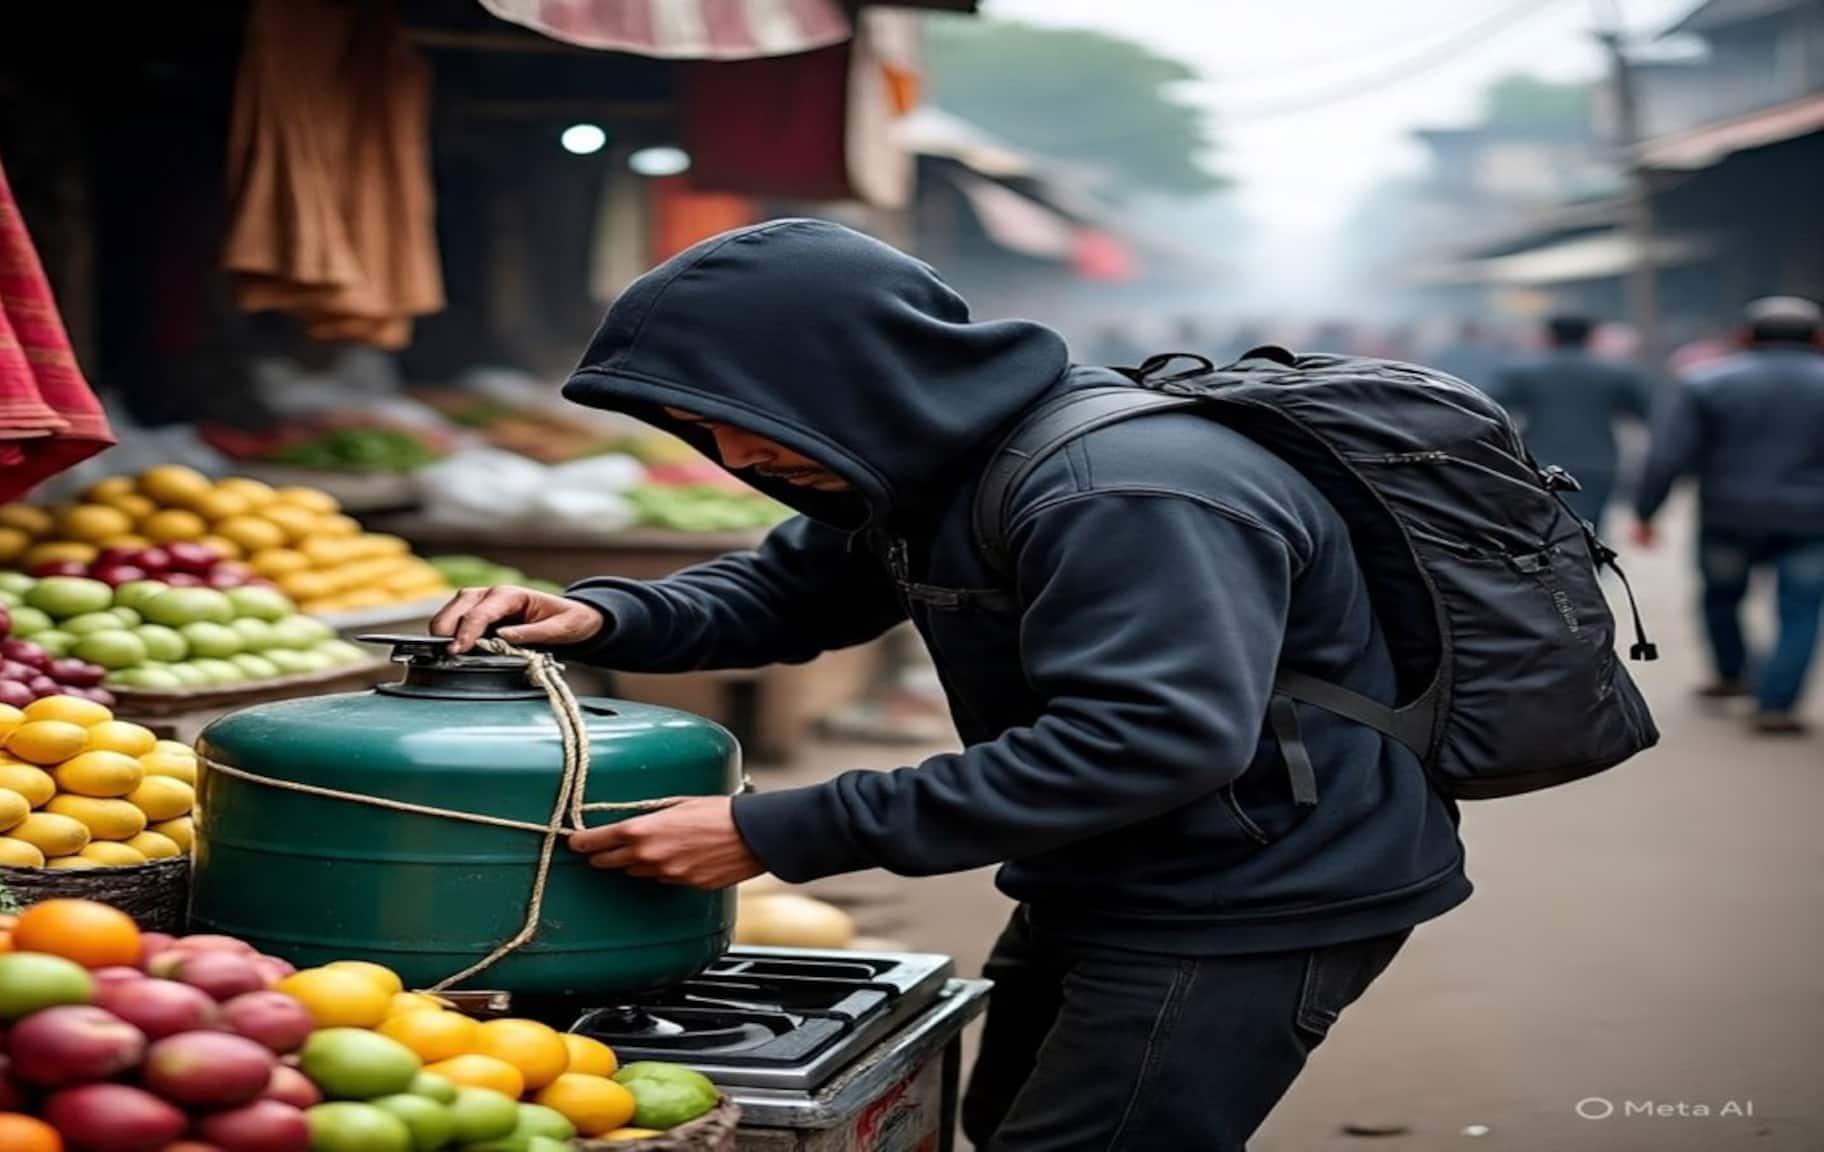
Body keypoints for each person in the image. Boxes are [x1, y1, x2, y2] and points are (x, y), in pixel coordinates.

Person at [431, 220, 1470, 1150]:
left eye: (751, 417)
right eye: (698, 427)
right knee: (1000, 1115)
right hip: (1110, 861)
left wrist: (777, 829)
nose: (733, 451)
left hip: (1255, 884)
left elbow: (1148, 740)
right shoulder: (925, 464)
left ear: (862, 372)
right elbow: (790, 594)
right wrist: (605, 614)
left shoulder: (1121, 487)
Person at [1634, 296, 1824, 735]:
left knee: (1721, 596)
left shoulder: (1708, 382)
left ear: (1743, 337)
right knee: (1801, 609)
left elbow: (1667, 455)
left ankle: (1733, 673)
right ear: (1817, 337)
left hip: (1729, 517)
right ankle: (1777, 702)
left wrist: (1647, 511)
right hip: (1813, 522)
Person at [1491, 315, 1651, 531]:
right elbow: (1641, 412)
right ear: (1590, 337)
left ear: (1549, 337)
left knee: (1544, 529)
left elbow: (1495, 410)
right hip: (1598, 462)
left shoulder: (1522, 373)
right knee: (1591, 528)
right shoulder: (1614, 373)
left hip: (1541, 461)